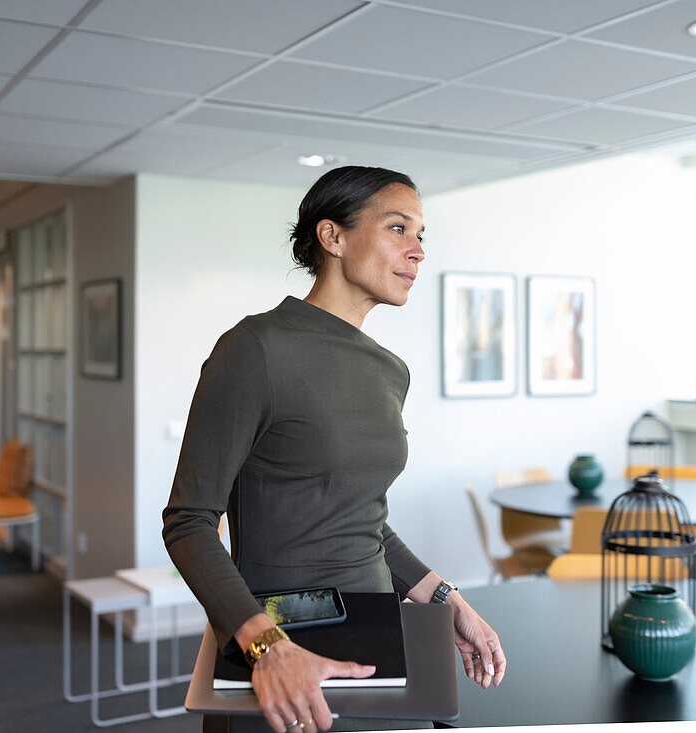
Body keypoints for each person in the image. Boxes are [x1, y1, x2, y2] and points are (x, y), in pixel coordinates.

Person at [163, 166, 506, 733]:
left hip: (373, 627)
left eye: (422, 236)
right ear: (334, 237)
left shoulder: (390, 371)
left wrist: (447, 601)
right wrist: (265, 646)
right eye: (399, 228)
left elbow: (361, 517)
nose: (417, 251)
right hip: (276, 638)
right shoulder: (254, 349)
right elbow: (190, 522)